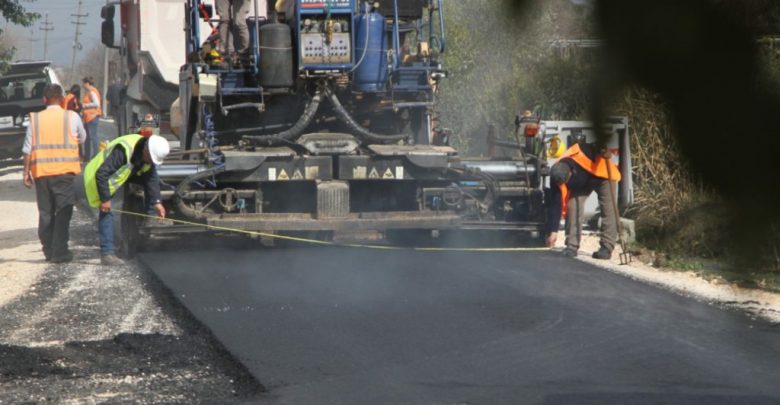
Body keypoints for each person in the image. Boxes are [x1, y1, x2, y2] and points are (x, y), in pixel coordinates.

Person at [79, 133, 170, 265]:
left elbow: (151, 179)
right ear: (146, 150)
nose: (150, 162)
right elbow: (101, 174)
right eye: (150, 158)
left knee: (147, 180)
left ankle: (148, 220)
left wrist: (157, 202)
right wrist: (105, 199)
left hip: (118, 174)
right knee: (106, 212)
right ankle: (107, 254)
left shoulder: (146, 154)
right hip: (96, 178)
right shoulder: (123, 151)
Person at [22, 84, 87, 263]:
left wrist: (25, 173)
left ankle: (48, 250)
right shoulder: (72, 117)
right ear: (63, 99)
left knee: (45, 213)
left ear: (44, 100)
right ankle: (60, 252)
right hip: (65, 172)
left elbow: (27, 149)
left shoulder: (34, 120)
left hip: (41, 173)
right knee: (63, 211)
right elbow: (83, 138)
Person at [546, 140, 622, 260]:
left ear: (570, 172)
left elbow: (595, 145)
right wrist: (553, 231)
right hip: (582, 182)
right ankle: (571, 246)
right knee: (573, 206)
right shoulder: (556, 175)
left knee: (608, 209)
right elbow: (555, 204)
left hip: (603, 175)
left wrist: (603, 150)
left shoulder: (581, 152)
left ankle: (606, 248)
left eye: (566, 181)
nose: (565, 184)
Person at [81, 77, 103, 160]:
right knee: (90, 137)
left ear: (87, 83)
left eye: (84, 83)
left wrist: (84, 105)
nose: (83, 85)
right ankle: (88, 156)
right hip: (89, 117)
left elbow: (96, 104)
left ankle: (95, 155)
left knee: (93, 137)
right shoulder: (91, 92)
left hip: (92, 117)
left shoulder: (92, 92)